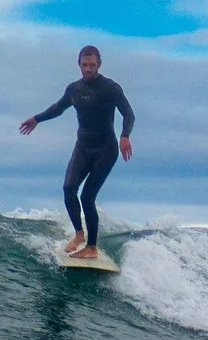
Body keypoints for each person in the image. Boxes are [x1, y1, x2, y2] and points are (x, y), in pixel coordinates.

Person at [19, 45, 135, 260]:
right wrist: (37, 118)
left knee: (87, 196)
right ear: (79, 64)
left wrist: (125, 135)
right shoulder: (74, 89)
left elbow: (129, 114)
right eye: (84, 65)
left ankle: (92, 246)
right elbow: (58, 107)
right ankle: (79, 234)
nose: (88, 69)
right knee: (68, 188)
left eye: (92, 65)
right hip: (83, 147)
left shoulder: (111, 88)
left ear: (99, 64)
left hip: (105, 149)